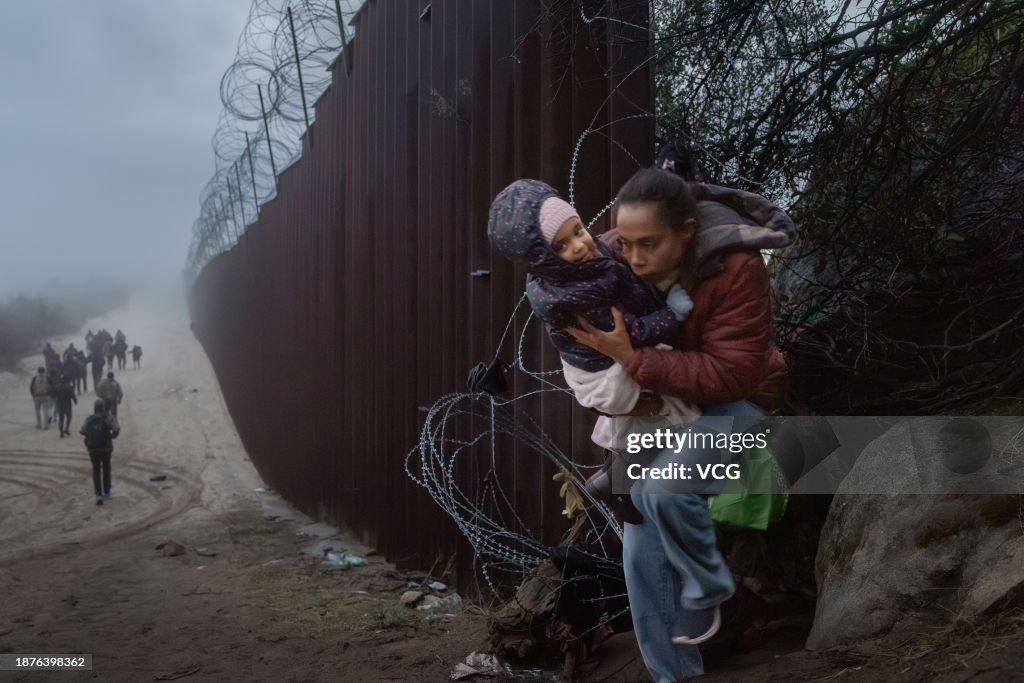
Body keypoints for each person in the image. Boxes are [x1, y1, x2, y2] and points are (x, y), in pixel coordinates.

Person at [567, 147, 795, 682]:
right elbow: (578, 352)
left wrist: (637, 363)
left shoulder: (736, 266)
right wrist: (616, 391)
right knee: (640, 533)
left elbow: (734, 374)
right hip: (660, 415)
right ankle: (673, 676)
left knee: (659, 490)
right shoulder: (610, 261)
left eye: (650, 245)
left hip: (735, 410)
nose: (635, 258)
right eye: (626, 243)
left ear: (687, 233)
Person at [487, 179, 700, 436]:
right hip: (605, 373)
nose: (578, 246)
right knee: (676, 423)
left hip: (613, 361)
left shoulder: (592, 259)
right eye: (560, 247)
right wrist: (672, 314)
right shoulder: (577, 296)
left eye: (577, 231)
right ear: (542, 262)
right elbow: (632, 333)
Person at [79, 400, 120, 505]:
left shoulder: (89, 418)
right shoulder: (109, 417)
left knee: (96, 471)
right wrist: (111, 436)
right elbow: (116, 429)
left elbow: (82, 431)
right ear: (104, 407)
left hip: (93, 449)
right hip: (106, 448)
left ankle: (98, 495)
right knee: (106, 468)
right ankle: (107, 491)